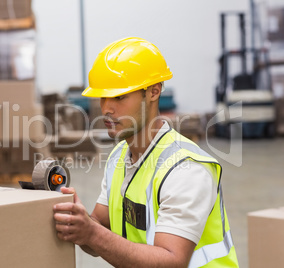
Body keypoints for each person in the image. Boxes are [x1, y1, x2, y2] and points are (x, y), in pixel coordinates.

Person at [53, 37, 239, 267]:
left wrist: (91, 232)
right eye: (103, 97)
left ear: (154, 92)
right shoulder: (119, 157)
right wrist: (78, 223)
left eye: (119, 97)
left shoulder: (186, 169)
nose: (106, 109)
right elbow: (98, 231)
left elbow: (172, 261)